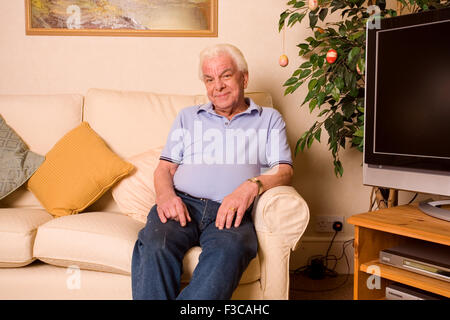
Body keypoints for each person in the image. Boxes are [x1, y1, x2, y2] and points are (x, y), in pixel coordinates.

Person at [131, 43, 294, 300]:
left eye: (226, 75)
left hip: (230, 210)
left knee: (231, 249)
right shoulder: (188, 117)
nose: (217, 86)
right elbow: (164, 168)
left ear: (244, 77)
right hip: (182, 203)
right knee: (154, 245)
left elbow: (284, 171)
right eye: (209, 79)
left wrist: (252, 186)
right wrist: (165, 196)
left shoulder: (269, 119)